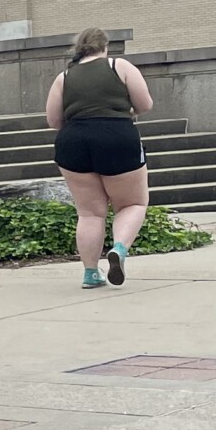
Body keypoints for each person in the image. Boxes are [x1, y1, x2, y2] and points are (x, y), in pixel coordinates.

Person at [46, 27, 155, 288]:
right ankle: (118, 248)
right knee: (133, 204)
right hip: (116, 135)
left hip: (73, 141)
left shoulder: (64, 76)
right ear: (105, 46)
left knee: (90, 213)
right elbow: (145, 104)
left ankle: (90, 273)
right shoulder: (120, 65)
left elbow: (53, 120)